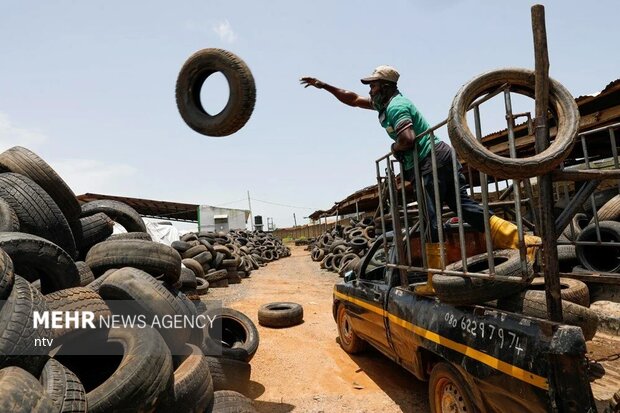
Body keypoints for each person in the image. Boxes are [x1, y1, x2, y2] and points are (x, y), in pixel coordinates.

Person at [300, 65, 540, 296]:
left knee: (431, 220)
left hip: (429, 160)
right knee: (464, 208)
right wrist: (325, 86)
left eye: (373, 85)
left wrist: (395, 147)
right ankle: (522, 240)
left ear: (384, 86)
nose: (370, 90)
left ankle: (434, 280)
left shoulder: (396, 107)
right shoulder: (384, 103)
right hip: (440, 155)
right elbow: (352, 99)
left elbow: (408, 138)